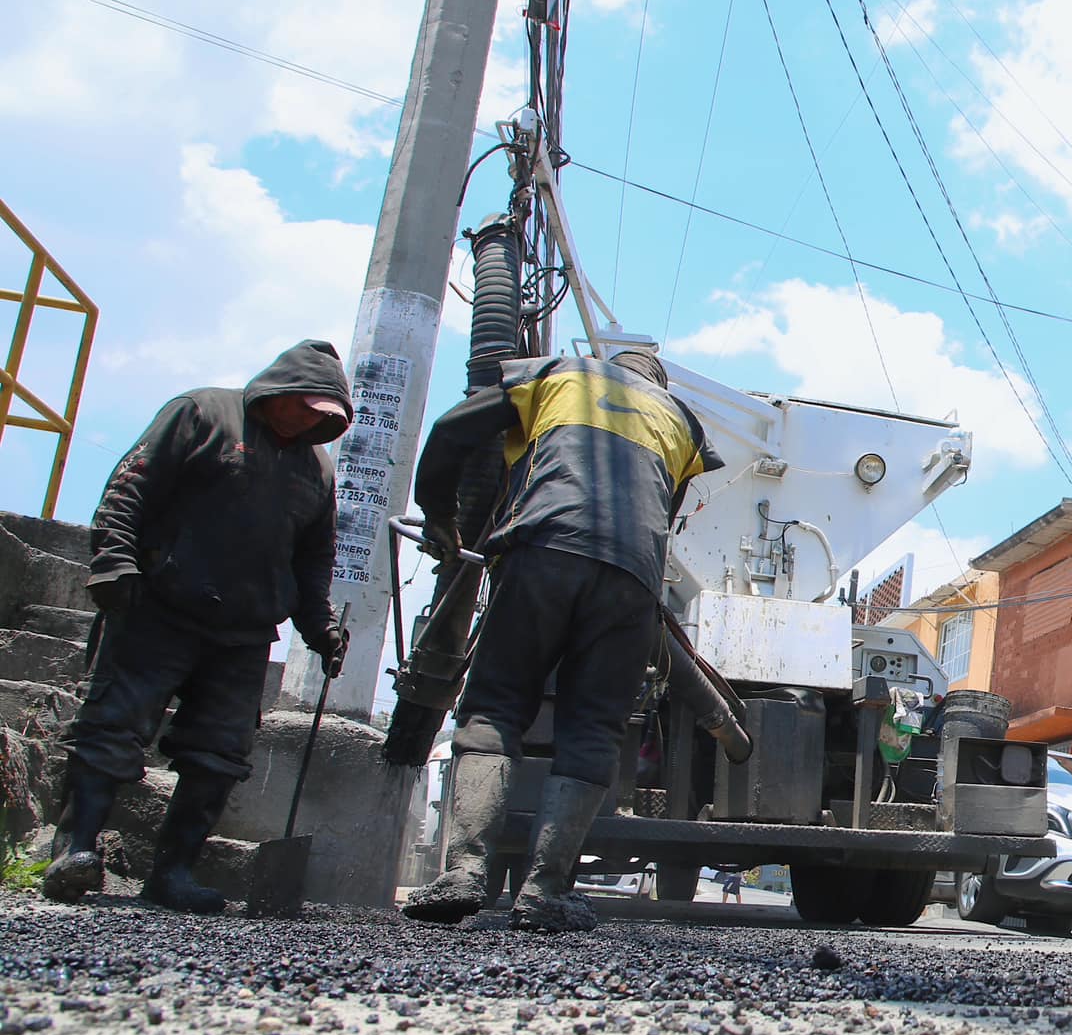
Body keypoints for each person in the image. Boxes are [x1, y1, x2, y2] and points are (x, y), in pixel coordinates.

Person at [401, 349, 719, 933]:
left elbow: (452, 429)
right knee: (594, 725)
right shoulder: (679, 419)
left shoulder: (558, 374)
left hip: (543, 550)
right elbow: (662, 512)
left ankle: (465, 871)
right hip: (633, 578)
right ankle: (544, 890)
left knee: (495, 706)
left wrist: (438, 515)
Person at [43, 340, 354, 912]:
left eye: (325, 417)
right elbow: (131, 485)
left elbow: (313, 559)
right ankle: (75, 849)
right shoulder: (202, 414)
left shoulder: (316, 470)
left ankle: (173, 873)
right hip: (160, 606)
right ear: (279, 390)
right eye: (307, 407)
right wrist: (113, 561)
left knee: (219, 754)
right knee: (113, 726)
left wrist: (321, 628)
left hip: (243, 631)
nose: (313, 422)